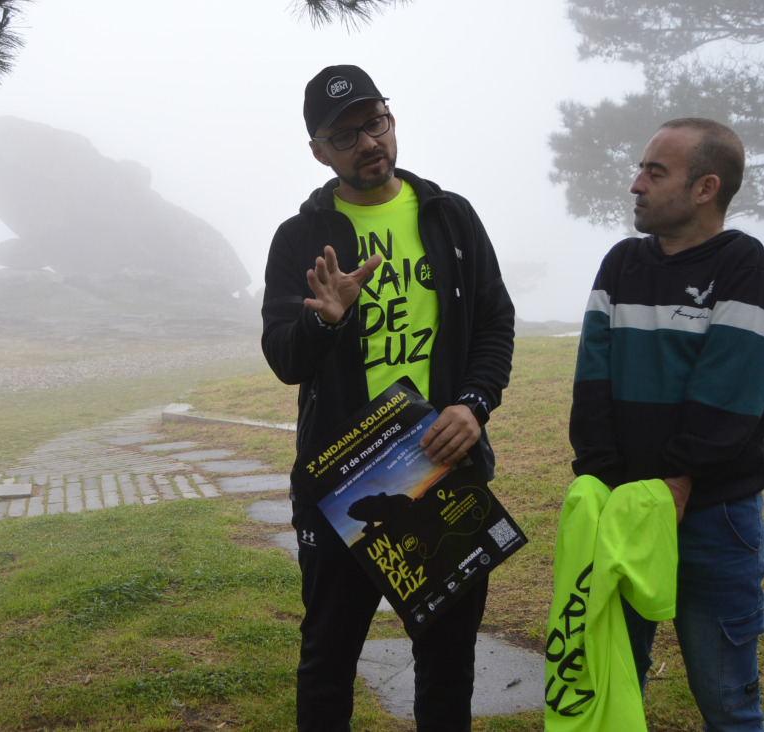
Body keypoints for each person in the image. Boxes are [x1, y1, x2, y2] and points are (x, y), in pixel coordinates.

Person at [261, 64, 515, 731]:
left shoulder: (449, 217)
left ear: (391, 120)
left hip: (442, 464)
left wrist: (472, 403)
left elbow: (493, 322)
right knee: (328, 659)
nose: (367, 141)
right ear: (318, 150)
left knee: (447, 662)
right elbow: (284, 357)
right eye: (345, 135)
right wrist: (324, 319)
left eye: (374, 121)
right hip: (343, 477)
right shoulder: (299, 239)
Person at [569, 118, 764, 732]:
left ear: (705, 187)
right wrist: (604, 481)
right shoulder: (622, 262)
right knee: (611, 680)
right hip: (624, 510)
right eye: (640, 169)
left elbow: (730, 388)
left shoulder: (741, 261)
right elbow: (592, 377)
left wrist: (679, 482)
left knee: (727, 701)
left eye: (655, 173)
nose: (636, 184)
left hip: (713, 514)